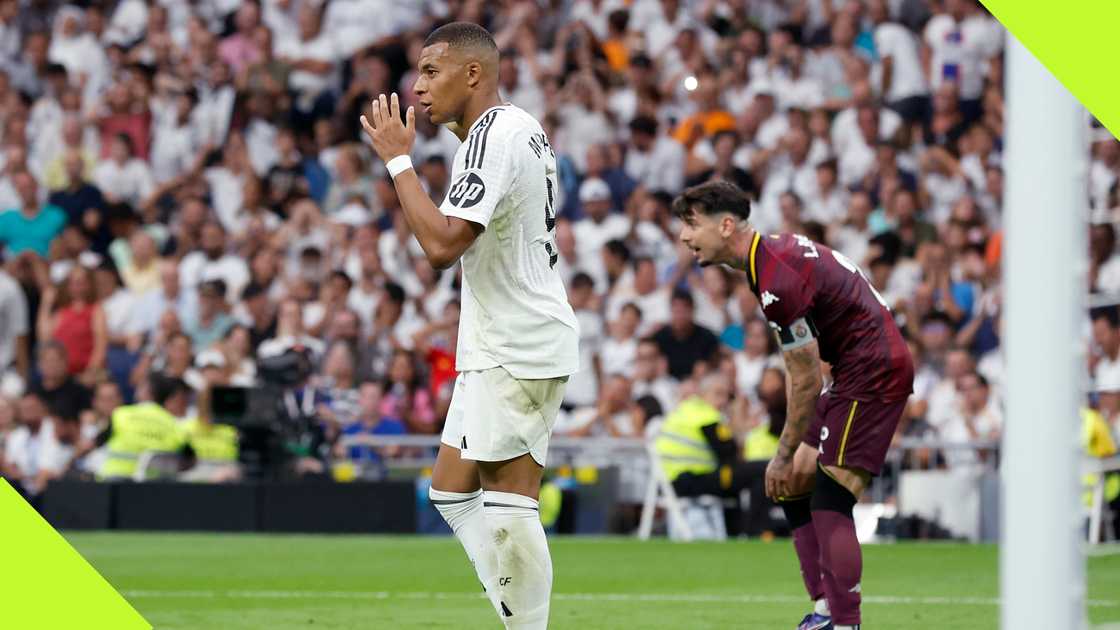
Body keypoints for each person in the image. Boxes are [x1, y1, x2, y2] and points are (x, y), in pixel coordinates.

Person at [360, 22, 579, 629]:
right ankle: (518, 616)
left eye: (432, 71)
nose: (418, 88)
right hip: (501, 340)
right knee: (452, 492)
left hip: (518, 343)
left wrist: (398, 161)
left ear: (474, 73)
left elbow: (442, 245)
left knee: (510, 510)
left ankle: (527, 627)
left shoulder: (494, 135)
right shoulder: (512, 131)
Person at [673, 180, 914, 630]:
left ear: (726, 225)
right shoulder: (768, 261)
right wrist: (787, 458)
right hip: (852, 369)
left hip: (871, 369)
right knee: (792, 485)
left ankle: (845, 623)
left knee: (830, 498)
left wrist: (782, 451)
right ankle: (824, 609)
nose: (685, 237)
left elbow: (804, 377)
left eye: (692, 225)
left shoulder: (775, 276)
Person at [95, 374, 193, 480]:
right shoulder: (174, 423)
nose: (137, 389)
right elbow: (190, 459)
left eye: (141, 386)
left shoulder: (122, 414)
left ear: (148, 391)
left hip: (116, 482)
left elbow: (97, 442)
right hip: (157, 486)